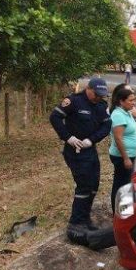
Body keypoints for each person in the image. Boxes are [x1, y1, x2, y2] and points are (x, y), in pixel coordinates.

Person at [49, 77, 112, 242]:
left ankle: (85, 219)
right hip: (74, 151)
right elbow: (55, 117)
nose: (99, 97)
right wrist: (68, 137)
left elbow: (106, 126)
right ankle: (75, 223)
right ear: (89, 89)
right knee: (84, 186)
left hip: (90, 149)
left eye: (101, 95)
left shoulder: (101, 105)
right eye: (97, 94)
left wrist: (91, 140)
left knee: (94, 185)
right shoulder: (73, 101)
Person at [108, 87, 136, 214]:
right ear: (121, 101)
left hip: (129, 155)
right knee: (122, 184)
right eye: (131, 100)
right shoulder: (117, 115)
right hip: (122, 157)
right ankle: (122, 213)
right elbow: (118, 138)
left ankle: (124, 210)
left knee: (126, 182)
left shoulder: (126, 112)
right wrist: (126, 158)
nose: (133, 103)